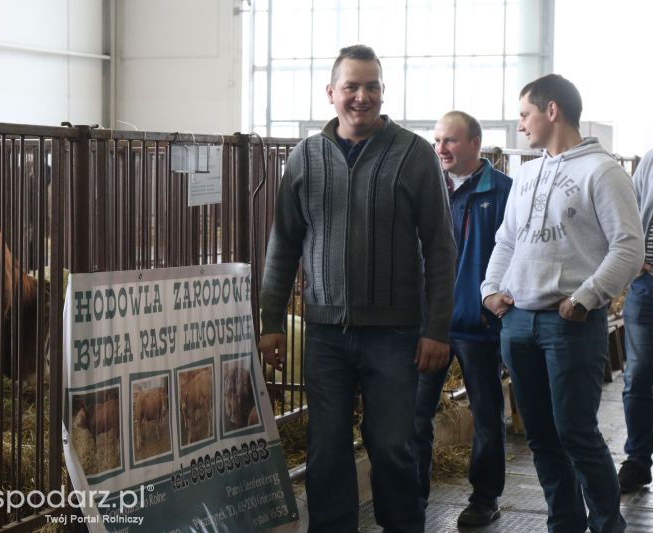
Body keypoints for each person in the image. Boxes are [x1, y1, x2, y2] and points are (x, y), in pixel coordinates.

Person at [258, 44, 456, 533]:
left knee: (391, 446)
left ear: (383, 93)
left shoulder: (414, 156)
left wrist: (437, 329)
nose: (362, 97)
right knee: (326, 451)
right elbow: (284, 242)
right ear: (332, 93)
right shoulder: (305, 156)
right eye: (351, 86)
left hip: (395, 335)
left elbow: (440, 248)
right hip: (325, 333)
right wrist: (271, 322)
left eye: (372, 87)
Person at [481, 73, 643, 533]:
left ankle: (609, 525)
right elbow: (506, 240)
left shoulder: (603, 171)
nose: (520, 126)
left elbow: (628, 247)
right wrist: (490, 291)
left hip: (568, 322)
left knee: (576, 432)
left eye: (524, 114)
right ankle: (564, 524)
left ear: (551, 111)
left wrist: (585, 298)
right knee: (542, 437)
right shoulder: (527, 172)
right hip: (517, 320)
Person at [414, 110, 511, 526]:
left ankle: (485, 499)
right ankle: (413, 497)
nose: (441, 149)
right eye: (437, 141)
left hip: (479, 328)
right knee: (415, 415)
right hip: (430, 326)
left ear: (475, 143)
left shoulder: (504, 192)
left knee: (487, 416)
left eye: (450, 141)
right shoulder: (426, 189)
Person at [617, 148, 653, 493]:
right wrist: (635, 259)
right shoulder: (652, 158)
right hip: (648, 284)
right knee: (638, 374)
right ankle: (638, 459)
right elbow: (634, 207)